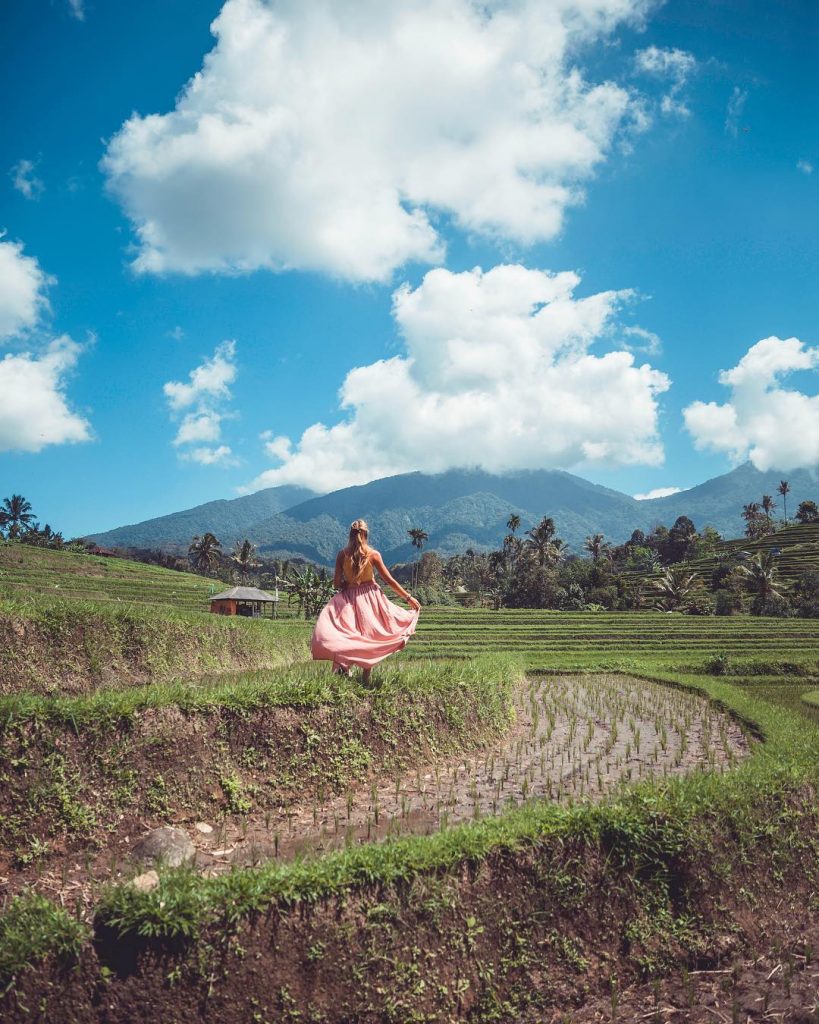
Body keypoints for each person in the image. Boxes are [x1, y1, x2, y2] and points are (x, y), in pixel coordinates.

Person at [311, 519, 421, 682]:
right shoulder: (373, 554)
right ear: (366, 534)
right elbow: (389, 580)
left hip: (348, 598)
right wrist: (408, 598)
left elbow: (335, 583)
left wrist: (349, 584)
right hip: (371, 598)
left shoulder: (342, 554)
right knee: (370, 635)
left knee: (347, 633)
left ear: (350, 535)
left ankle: (344, 667)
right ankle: (365, 678)